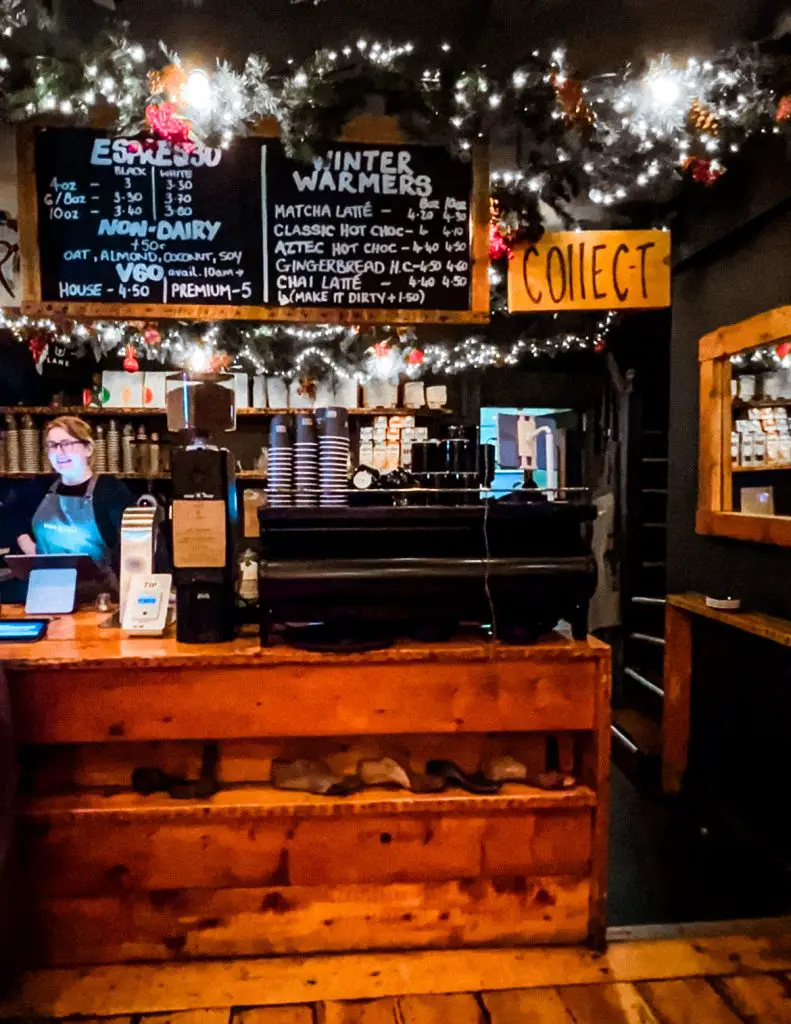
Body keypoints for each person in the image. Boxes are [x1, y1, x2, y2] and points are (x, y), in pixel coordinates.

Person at [15, 416, 133, 585]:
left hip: (98, 595)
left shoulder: (110, 490)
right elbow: (10, 516)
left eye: (67, 444)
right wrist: (27, 546)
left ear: (88, 449)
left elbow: (135, 542)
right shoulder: (40, 489)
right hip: (45, 590)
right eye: (53, 445)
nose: (59, 452)